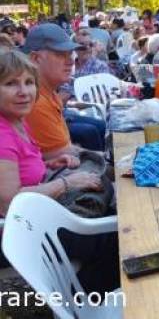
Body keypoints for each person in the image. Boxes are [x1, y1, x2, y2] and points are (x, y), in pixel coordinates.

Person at [0, 48, 119, 295]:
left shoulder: (16, 121)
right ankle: (83, 303)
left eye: (29, 82)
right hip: (25, 235)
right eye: (11, 84)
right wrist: (66, 184)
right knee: (123, 238)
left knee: (117, 211)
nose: (23, 92)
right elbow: (8, 203)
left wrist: (50, 165)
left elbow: (24, 168)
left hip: (39, 220)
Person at [23, 24, 83, 159]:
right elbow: (62, 154)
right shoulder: (34, 101)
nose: (71, 61)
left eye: (70, 54)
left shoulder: (49, 91)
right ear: (35, 59)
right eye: (61, 54)